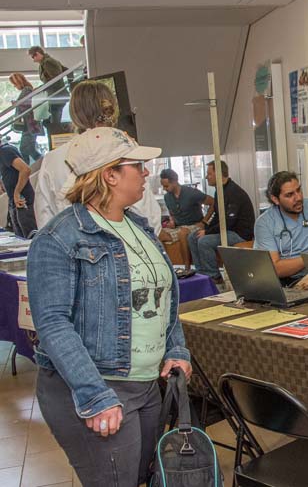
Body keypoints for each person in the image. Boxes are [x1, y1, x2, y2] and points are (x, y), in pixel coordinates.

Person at [27, 127, 191, 487]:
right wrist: (95, 395)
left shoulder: (139, 227)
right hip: (99, 386)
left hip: (146, 386)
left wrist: (176, 349)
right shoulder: (59, 237)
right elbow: (53, 324)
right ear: (110, 174)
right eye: (138, 165)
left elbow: (164, 299)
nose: (147, 171)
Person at [33, 80, 162, 234]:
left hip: (70, 248)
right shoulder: (125, 150)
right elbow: (150, 219)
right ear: (112, 108)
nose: (145, 172)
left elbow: (45, 221)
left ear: (74, 115)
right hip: (127, 248)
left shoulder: (53, 160)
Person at [253, 171, 308, 284]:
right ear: (275, 199)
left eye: (299, 190)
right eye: (289, 195)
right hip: (289, 281)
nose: (298, 197)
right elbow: (275, 268)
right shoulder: (265, 223)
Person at [188, 160, 254, 282]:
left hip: (239, 234)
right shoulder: (219, 191)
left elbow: (229, 222)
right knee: (193, 237)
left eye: (209, 174)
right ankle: (201, 273)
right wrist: (205, 228)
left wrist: (207, 233)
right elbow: (219, 217)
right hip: (227, 230)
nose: (206, 177)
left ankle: (214, 276)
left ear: (218, 174)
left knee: (204, 242)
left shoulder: (233, 192)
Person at [159, 168, 214, 270]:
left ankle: (187, 268)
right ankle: (166, 267)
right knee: (158, 234)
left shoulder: (192, 193)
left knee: (182, 233)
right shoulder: (167, 197)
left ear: (174, 182)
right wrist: (172, 221)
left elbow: (213, 202)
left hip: (194, 225)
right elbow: (171, 212)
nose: (164, 188)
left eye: (166, 186)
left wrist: (204, 221)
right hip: (178, 226)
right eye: (163, 186)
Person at [28, 45, 69, 140]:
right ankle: (54, 141)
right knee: (48, 122)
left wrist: (40, 88)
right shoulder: (45, 62)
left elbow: (54, 80)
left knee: (54, 124)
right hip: (55, 96)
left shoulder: (48, 62)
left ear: (37, 54)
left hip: (58, 95)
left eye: (33, 57)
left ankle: (56, 143)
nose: (33, 60)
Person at [0, 142, 37, 238]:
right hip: (15, 200)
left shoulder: (5, 151)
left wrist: (17, 192)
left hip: (22, 199)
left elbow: (25, 169)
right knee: (20, 238)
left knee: (28, 237)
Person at [9, 72, 43, 164]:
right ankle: (30, 168)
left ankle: (40, 164)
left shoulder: (27, 89)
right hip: (30, 124)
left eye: (14, 84)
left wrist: (17, 103)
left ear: (19, 82)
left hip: (30, 125)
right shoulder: (28, 89)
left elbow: (27, 104)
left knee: (25, 148)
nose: (14, 86)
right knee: (28, 149)